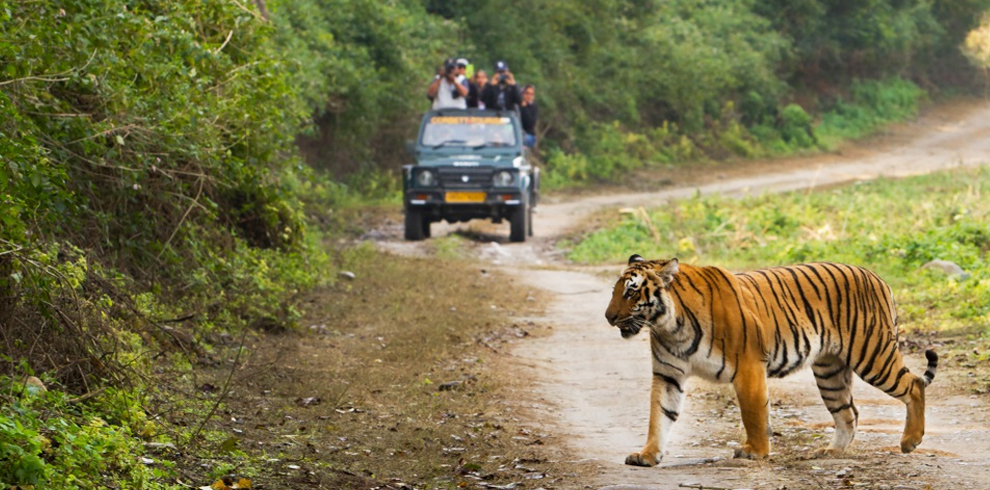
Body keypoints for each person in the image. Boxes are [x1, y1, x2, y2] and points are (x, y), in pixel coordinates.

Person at [519, 84, 538, 148]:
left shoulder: (534, 107)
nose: (529, 96)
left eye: (531, 94)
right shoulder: (517, 105)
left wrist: (524, 108)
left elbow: (530, 124)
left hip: (528, 135)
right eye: (527, 93)